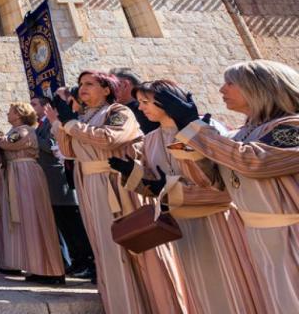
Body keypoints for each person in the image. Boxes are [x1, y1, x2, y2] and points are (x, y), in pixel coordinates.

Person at [108, 79, 265, 313]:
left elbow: (222, 184)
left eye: (146, 102)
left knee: (232, 284)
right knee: (199, 290)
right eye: (139, 102)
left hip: (217, 221)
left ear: (167, 101)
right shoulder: (151, 139)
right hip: (183, 226)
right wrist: (134, 174)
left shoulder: (206, 129)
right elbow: (155, 184)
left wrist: (172, 188)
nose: (140, 108)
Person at [162, 60, 299, 313]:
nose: (222, 90)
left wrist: (195, 128)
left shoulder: (293, 126)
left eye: (230, 83)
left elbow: (253, 162)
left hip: (292, 233)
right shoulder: (243, 132)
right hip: (259, 236)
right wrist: (196, 148)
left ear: (260, 87)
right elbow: (222, 183)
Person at [48, 71, 186, 314]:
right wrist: (61, 122)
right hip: (89, 184)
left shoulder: (118, 112)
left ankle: (155, 304)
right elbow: (68, 150)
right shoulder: (82, 117)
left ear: (107, 89)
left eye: (90, 84)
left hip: (116, 184)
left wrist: (72, 124)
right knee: (105, 246)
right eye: (81, 84)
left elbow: (110, 138)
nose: (82, 88)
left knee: (132, 244)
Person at [0, 103, 65, 285]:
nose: (7, 113)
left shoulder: (23, 130)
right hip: (17, 172)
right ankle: (37, 266)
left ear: (19, 114)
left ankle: (50, 269)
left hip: (25, 173)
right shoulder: (16, 129)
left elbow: (6, 144)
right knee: (27, 220)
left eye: (10, 111)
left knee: (34, 217)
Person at [30, 94, 94, 280]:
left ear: (45, 107)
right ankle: (76, 260)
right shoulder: (41, 125)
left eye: (34, 104)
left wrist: (34, 138)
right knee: (63, 223)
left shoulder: (52, 124)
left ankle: (87, 261)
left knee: (72, 223)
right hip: (50, 181)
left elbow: (52, 146)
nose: (32, 107)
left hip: (59, 180)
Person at [111, 68, 158, 134]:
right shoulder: (118, 109)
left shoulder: (148, 109)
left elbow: (109, 136)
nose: (108, 90)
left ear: (124, 84)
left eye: (111, 85)